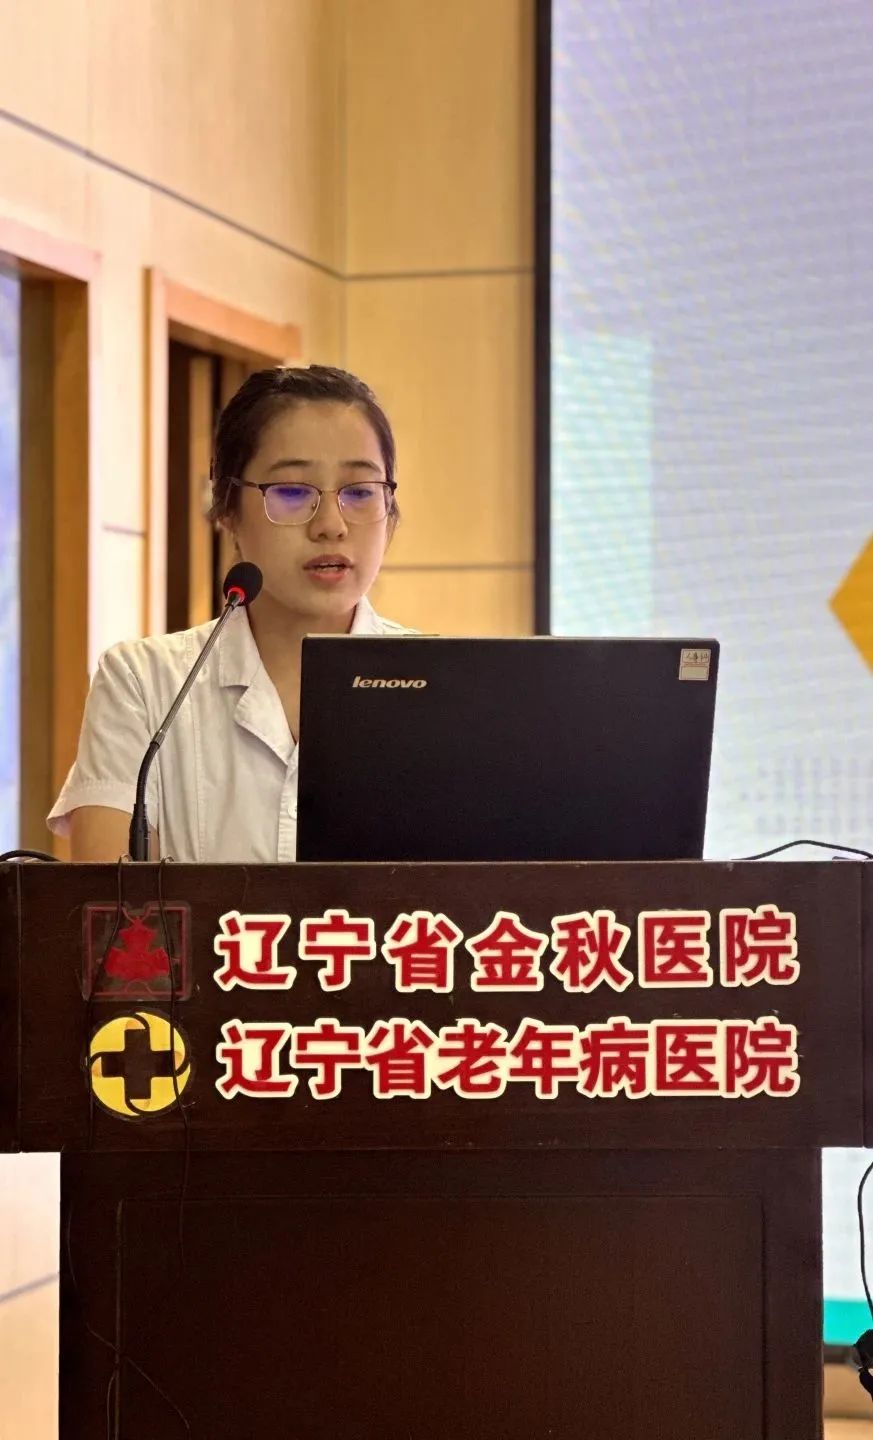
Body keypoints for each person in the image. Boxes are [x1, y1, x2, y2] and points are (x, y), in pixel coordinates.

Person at [48, 364, 414, 863]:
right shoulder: (144, 684)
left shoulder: (443, 684)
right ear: (227, 508)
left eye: (360, 492)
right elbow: (108, 902)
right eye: (292, 492)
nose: (331, 525)